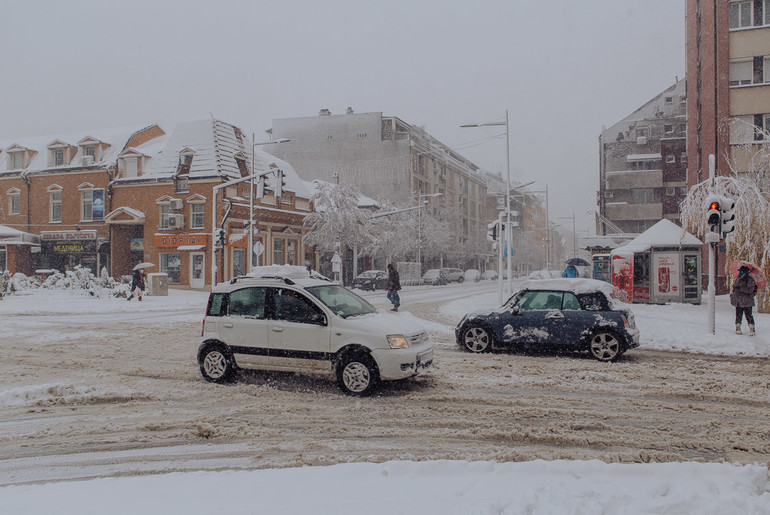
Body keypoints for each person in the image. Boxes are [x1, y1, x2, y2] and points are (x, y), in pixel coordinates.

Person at [731, 265, 757, 336]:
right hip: (739, 301)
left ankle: (752, 328)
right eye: (740, 271)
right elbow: (736, 288)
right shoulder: (738, 278)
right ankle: (738, 327)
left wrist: (740, 288)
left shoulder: (750, 279)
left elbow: (750, 290)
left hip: (747, 301)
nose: (741, 273)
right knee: (738, 314)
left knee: (748, 315)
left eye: (742, 271)